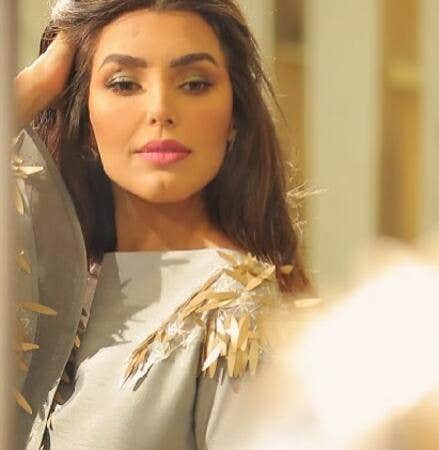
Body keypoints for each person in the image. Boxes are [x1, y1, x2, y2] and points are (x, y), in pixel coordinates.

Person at [11, 1, 310, 449]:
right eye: (124, 83)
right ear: (85, 118)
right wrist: (28, 93)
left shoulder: (238, 313)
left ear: (234, 117)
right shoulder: (59, 283)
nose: (161, 110)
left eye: (194, 84)